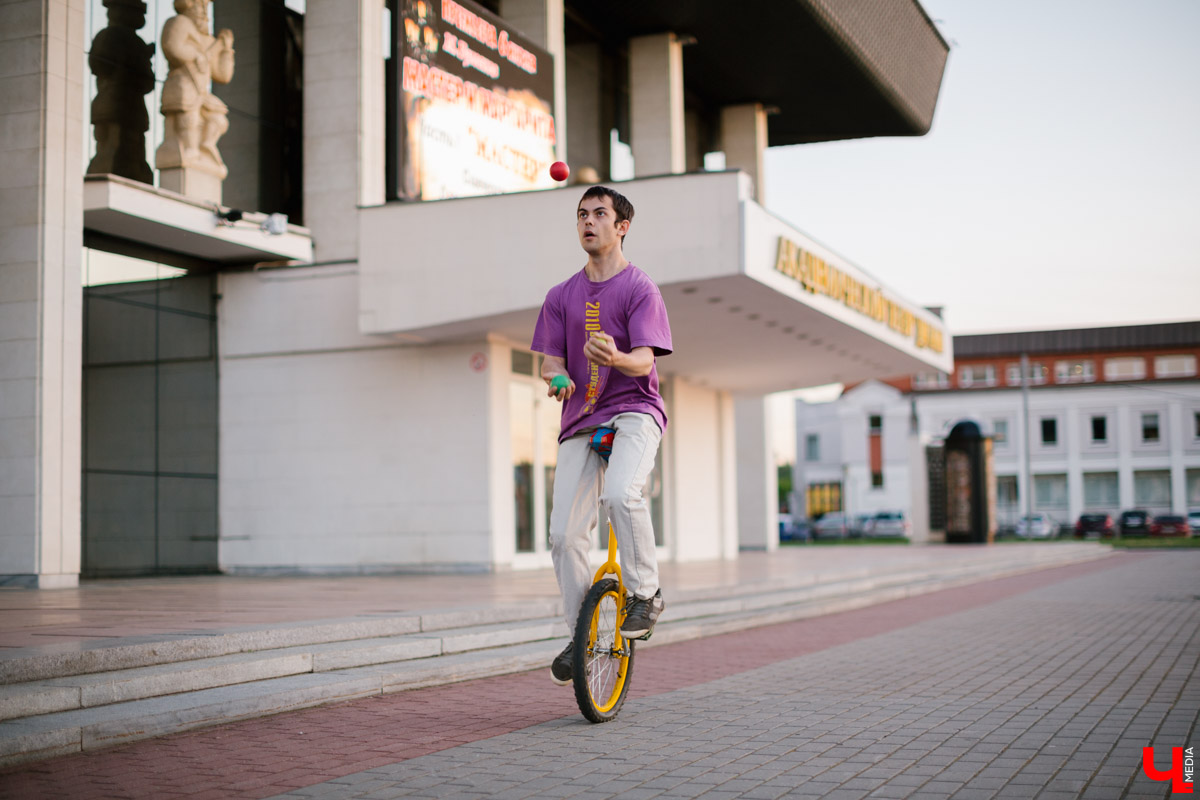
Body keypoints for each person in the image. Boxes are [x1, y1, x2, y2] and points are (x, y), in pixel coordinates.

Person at [530, 185, 673, 685]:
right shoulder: (559, 296)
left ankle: (645, 594)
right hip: (581, 419)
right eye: (581, 215)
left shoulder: (639, 288)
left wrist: (615, 358)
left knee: (620, 494)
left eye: (599, 214)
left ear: (621, 227)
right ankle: (580, 636)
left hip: (634, 409)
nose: (588, 222)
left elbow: (645, 359)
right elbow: (549, 359)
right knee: (563, 535)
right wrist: (558, 377)